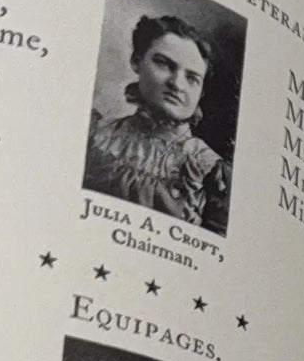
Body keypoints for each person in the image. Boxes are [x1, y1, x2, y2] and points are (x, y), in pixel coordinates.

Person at [84, 13, 233, 233]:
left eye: (192, 78)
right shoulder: (97, 134)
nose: (177, 84)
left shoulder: (210, 169)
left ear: (201, 92)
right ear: (137, 61)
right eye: (164, 64)